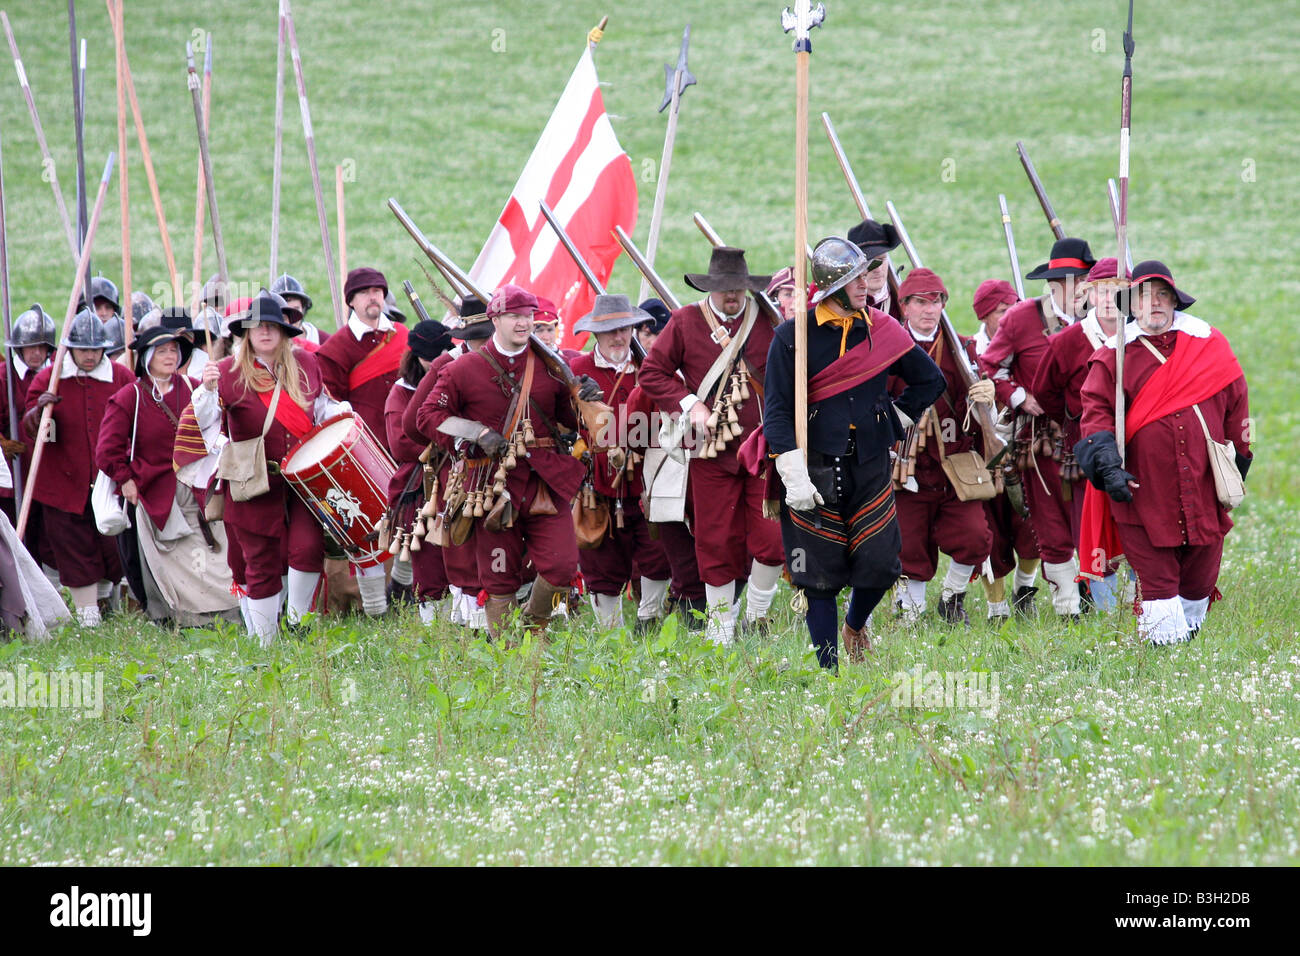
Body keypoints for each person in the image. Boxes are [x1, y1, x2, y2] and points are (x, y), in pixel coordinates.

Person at [764, 238, 944, 667]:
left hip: (869, 464)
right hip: (812, 466)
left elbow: (930, 381)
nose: (867, 284)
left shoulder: (882, 329)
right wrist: (792, 474)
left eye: (866, 275)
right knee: (818, 578)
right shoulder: (793, 336)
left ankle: (856, 623)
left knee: (882, 565)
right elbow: (776, 412)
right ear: (833, 285)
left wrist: (893, 420)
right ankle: (829, 674)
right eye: (855, 277)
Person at [1077, 261, 1251, 645]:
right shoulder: (1114, 357)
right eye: (1143, 296)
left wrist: (1239, 458)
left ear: (1174, 300)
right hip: (1143, 491)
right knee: (1158, 585)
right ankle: (1160, 656)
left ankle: (1184, 647)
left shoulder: (1209, 346)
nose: (1153, 303)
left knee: (1199, 583)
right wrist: (1107, 465)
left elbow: (1236, 401)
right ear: (1131, 306)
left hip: (1204, 488)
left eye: (1161, 295)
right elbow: (1095, 414)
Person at [417, 284, 599, 640]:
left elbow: (570, 420)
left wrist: (584, 399)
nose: (524, 323)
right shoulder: (463, 369)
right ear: (496, 319)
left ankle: (531, 627)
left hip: (545, 480)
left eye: (529, 316)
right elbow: (428, 416)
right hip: (491, 485)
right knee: (498, 577)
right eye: (515, 316)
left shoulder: (551, 365)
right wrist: (476, 434)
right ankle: (507, 652)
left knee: (562, 566)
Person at [638, 247, 785, 645]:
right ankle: (720, 629)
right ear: (709, 288)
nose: (731, 296)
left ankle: (754, 615)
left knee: (772, 540)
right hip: (709, 451)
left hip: (761, 450)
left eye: (738, 288)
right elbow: (652, 373)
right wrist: (691, 404)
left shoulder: (770, 321)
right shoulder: (686, 321)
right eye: (723, 289)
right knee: (715, 538)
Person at [191, 293, 352, 644]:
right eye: (256, 326)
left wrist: (343, 414)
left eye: (272, 326)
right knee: (260, 562)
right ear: (245, 332)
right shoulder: (226, 373)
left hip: (302, 477)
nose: (264, 332)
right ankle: (266, 645)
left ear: (283, 331)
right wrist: (205, 390)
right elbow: (204, 428)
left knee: (308, 548)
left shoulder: (307, 363)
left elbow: (321, 409)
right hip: (251, 479)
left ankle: (297, 625)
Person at [979, 237, 1096, 619]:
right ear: (1055, 284)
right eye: (1071, 281)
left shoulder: (1102, 318)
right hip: (1039, 440)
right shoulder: (1021, 318)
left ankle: (1098, 591)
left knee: (1091, 523)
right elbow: (991, 368)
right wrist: (1018, 398)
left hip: (1093, 436)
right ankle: (1067, 607)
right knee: (1051, 527)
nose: (1079, 289)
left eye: (1084, 280)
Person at [96, 322, 238, 626]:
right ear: (147, 356)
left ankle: (225, 612)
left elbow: (216, 422)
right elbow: (107, 450)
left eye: (173, 349)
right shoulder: (128, 397)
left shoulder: (192, 388)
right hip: (155, 492)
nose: (170, 356)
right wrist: (125, 480)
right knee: (170, 558)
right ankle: (180, 615)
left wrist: (212, 388)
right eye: (162, 351)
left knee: (210, 553)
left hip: (197, 488)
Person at [887, 268, 995, 626]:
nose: (929, 309)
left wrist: (987, 398)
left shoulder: (964, 349)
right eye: (920, 301)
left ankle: (952, 598)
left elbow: (981, 415)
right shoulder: (887, 345)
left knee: (975, 537)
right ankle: (910, 613)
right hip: (908, 465)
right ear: (904, 306)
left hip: (954, 464)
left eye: (936, 301)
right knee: (909, 546)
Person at [22, 310, 135, 626]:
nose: (89, 356)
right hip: (62, 483)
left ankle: (110, 603)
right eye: (83, 349)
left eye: (95, 349)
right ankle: (88, 617)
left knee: (114, 546)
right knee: (73, 549)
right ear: (70, 349)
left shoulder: (122, 378)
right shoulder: (49, 379)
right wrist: (39, 413)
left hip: (109, 481)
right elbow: (35, 432)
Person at [568, 294, 672, 631]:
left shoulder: (651, 369)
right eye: (611, 330)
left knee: (658, 554)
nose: (618, 337)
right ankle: (608, 632)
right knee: (601, 559)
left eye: (624, 329)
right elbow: (563, 423)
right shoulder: (576, 371)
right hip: (597, 481)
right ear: (596, 333)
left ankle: (649, 620)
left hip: (649, 476)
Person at [1032, 258, 1128, 610]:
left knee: (1138, 526)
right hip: (1086, 447)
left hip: (1138, 447)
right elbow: (1045, 393)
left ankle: (1143, 604)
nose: (1108, 299)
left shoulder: (1142, 338)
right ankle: (1106, 610)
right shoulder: (1068, 342)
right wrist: (1074, 423)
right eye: (1101, 290)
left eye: (1117, 291)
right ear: (1088, 293)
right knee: (1095, 529)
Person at [402, 296, 491, 631]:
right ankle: (474, 627)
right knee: (465, 553)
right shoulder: (447, 365)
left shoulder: (514, 360)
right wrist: (461, 437)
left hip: (508, 467)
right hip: (461, 469)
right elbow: (413, 423)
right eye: (480, 336)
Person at [969, 279, 1040, 620]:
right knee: (989, 536)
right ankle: (996, 606)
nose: (1010, 315)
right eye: (1001, 311)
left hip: (1026, 449)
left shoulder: (1029, 346)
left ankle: (1024, 589)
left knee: (1033, 529)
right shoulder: (969, 352)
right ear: (985, 316)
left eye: (1013, 308)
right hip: (985, 459)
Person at [383, 319, 454, 618]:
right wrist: (445, 444)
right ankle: (431, 626)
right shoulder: (400, 394)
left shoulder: (453, 376)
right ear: (415, 357)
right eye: (429, 357)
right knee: (429, 562)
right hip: (421, 484)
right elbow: (401, 444)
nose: (435, 362)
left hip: (456, 477)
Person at [315, 266, 407, 456]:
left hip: (408, 441)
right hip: (365, 447)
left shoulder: (403, 335)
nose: (372, 297)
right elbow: (330, 404)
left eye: (377, 291)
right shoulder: (335, 348)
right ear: (351, 301)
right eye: (364, 292)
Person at [0, 305, 59, 583]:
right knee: (19, 527)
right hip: (16, 468)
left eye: (42, 347)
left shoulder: (57, 375)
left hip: (52, 466)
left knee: (51, 530)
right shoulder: (4, 376)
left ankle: (53, 584)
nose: (36, 353)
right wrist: (4, 443)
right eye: (30, 347)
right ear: (19, 349)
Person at [846, 218, 903, 321]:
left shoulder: (903, 298)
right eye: (869, 262)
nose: (877, 269)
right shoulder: (843, 304)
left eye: (881, 259)